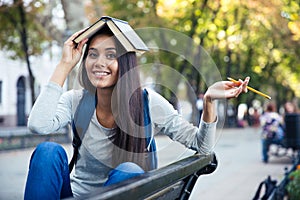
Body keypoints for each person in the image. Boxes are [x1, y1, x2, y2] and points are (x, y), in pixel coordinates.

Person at [24, 20, 250, 199]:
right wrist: (64, 64)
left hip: (124, 193)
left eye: (111, 55)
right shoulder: (75, 100)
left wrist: (209, 100)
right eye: (93, 54)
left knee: (129, 170)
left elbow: (203, 147)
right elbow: (37, 124)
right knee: (48, 152)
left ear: (126, 63)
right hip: (77, 195)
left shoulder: (147, 102)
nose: (99, 62)